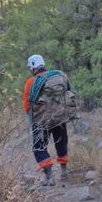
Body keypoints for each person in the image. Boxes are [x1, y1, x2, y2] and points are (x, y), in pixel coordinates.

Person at [23, 54, 70, 186]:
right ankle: (64, 172)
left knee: (39, 147)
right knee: (61, 143)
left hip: (41, 120)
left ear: (32, 68)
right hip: (59, 117)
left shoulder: (31, 82)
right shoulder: (57, 77)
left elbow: (27, 105)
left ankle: (49, 177)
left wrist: (35, 117)